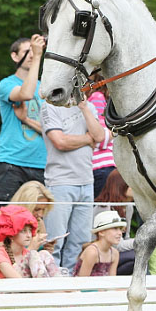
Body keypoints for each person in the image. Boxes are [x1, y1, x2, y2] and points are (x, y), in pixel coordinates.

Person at [41, 96, 105, 271]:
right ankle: (50, 286)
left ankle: (70, 285)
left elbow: (99, 136)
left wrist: (84, 107)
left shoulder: (89, 107)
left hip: (86, 182)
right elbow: (59, 141)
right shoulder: (49, 106)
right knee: (54, 240)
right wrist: (87, 139)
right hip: (60, 181)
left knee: (80, 241)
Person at [0, 35, 48, 202]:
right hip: (12, 162)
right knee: (7, 218)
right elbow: (25, 94)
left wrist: (26, 120)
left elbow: (51, 130)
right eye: (28, 51)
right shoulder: (6, 84)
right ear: (15, 56)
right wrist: (38, 57)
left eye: (35, 51)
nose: (33, 55)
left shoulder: (45, 88)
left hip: (42, 164)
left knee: (36, 222)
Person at [0, 204, 62, 278]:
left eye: (30, 230)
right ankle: (52, 288)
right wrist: (31, 250)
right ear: (11, 234)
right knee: (33, 254)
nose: (29, 235)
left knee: (44, 253)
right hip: (10, 287)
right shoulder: (0, 253)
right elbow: (17, 280)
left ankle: (60, 285)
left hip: (31, 287)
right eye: (23, 231)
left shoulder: (25, 252)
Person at [87, 81, 117, 198]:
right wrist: (117, 130)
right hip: (102, 166)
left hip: (106, 166)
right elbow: (101, 138)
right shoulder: (98, 97)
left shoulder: (103, 99)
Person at [73, 211, 124, 277]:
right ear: (101, 232)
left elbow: (112, 280)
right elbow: (82, 282)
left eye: (120, 229)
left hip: (105, 286)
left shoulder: (115, 253)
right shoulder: (92, 252)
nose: (120, 233)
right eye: (115, 228)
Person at [9, 181, 55, 253]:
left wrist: (46, 250)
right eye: (36, 209)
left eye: (43, 209)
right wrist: (31, 249)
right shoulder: (4, 223)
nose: (40, 214)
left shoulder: (39, 222)